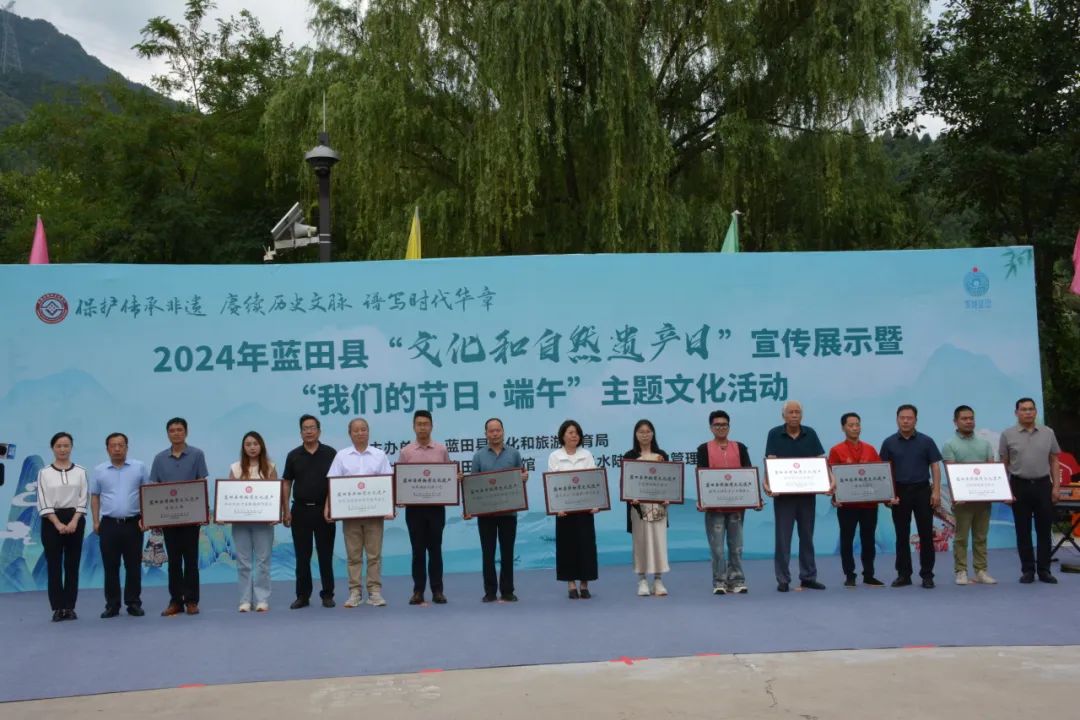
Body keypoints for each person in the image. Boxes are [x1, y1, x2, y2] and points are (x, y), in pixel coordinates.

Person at [327, 418, 392, 607]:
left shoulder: (379, 455)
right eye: (356, 430)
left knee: (374, 555)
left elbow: (388, 482)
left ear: (368, 432)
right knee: (353, 556)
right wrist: (329, 507)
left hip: (374, 515)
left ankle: (374, 592)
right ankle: (355, 592)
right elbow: (332, 483)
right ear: (350, 434)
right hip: (350, 515)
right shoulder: (342, 456)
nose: (360, 433)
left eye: (363, 429)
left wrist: (389, 508)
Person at [764, 400, 827, 592]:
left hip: (807, 495)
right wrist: (767, 483)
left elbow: (820, 460)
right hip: (784, 496)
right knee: (783, 538)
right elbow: (770, 461)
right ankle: (783, 579)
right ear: (783, 415)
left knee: (807, 536)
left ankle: (808, 577)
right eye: (790, 412)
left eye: (797, 412)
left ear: (802, 415)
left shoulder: (810, 433)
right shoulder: (774, 434)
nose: (794, 415)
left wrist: (828, 481)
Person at [149, 417, 208, 616]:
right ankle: (175, 601)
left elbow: (201, 482)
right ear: (167, 434)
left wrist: (202, 511)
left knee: (191, 560)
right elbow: (155, 487)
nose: (176, 433)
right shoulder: (159, 458)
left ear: (186, 432)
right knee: (174, 561)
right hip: (168, 518)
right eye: (172, 430)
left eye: (179, 429)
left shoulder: (197, 454)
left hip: (191, 518)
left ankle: (191, 601)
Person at [999, 397, 1062, 584]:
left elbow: (1054, 461)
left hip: (1043, 486)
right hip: (1019, 486)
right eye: (1023, 409)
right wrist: (1005, 491)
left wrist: (1056, 487)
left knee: (1044, 530)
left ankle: (1044, 570)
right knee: (1023, 531)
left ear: (1035, 412)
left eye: (1031, 409)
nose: (1028, 412)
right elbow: (1003, 464)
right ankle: (1027, 570)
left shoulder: (1048, 432)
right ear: (1016, 413)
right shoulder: (1007, 434)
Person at [879, 404, 942, 589]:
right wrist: (888, 495)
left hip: (922, 491)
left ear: (916, 420)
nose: (906, 421)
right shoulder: (889, 443)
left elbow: (935, 466)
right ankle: (904, 574)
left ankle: (927, 575)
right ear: (897, 419)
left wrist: (936, 491)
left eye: (909, 418)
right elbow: (884, 470)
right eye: (902, 418)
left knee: (926, 535)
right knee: (901, 535)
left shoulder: (926, 441)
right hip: (899, 493)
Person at [90, 432, 150, 618]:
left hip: (133, 523)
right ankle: (112, 605)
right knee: (111, 566)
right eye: (113, 445)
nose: (117, 449)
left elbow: (147, 493)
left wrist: (147, 518)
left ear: (127, 447)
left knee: (133, 566)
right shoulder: (99, 470)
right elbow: (95, 496)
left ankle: (133, 603)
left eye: (121, 445)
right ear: (107, 448)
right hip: (108, 524)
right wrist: (95, 521)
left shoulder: (139, 467)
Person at [696, 410, 757, 595]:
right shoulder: (703, 449)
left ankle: (737, 580)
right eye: (717, 425)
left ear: (729, 427)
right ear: (711, 427)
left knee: (736, 546)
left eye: (724, 424)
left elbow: (748, 474)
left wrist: (755, 498)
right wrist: (702, 499)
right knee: (717, 548)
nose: (721, 428)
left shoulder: (740, 447)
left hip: (737, 506)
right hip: (714, 507)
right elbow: (702, 476)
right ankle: (719, 581)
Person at [468, 418, 528, 603]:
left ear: (503, 431)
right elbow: (473, 484)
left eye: (498, 430)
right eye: (491, 431)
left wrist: (524, 478)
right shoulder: (478, 456)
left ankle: (508, 590)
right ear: (485, 434)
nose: (495, 433)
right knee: (488, 553)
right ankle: (490, 591)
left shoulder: (514, 454)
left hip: (509, 513)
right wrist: (470, 507)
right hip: (486, 514)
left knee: (507, 552)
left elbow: (520, 477)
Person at [282, 414, 338, 609]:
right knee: (302, 557)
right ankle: (303, 596)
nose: (309, 431)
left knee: (325, 555)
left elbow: (335, 482)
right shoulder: (293, 455)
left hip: (324, 511)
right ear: (301, 433)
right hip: (300, 511)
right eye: (305, 428)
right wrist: (286, 509)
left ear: (319, 431)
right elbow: (287, 483)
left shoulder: (330, 453)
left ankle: (327, 594)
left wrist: (330, 507)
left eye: (312, 428)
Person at [827, 413, 887, 588]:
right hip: (847, 505)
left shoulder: (870, 449)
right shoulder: (836, 450)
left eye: (857, 424)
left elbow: (879, 474)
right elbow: (832, 477)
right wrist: (834, 497)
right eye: (851, 425)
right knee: (847, 539)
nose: (855, 428)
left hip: (869, 504)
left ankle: (869, 574)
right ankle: (849, 575)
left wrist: (885, 494)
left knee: (868, 539)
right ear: (843, 428)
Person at [400, 410, 452, 605]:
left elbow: (448, 476)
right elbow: (401, 479)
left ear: (432, 426)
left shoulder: (441, 450)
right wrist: (400, 496)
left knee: (435, 550)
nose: (422, 427)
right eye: (419, 424)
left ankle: (438, 590)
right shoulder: (406, 452)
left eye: (426, 424)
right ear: (413, 427)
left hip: (436, 508)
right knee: (417, 551)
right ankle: (418, 591)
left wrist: (454, 478)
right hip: (414, 510)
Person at [941, 405, 997, 586]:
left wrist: (994, 492)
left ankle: (981, 571)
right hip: (962, 501)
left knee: (981, 537)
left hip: (983, 500)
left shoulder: (985, 444)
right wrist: (957, 495)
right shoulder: (950, 444)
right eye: (964, 418)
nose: (968, 421)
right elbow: (951, 473)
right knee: (961, 538)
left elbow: (991, 470)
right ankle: (961, 571)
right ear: (955, 421)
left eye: (971, 418)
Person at [37, 432, 89, 621]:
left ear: (71, 447)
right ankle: (58, 608)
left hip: (75, 519)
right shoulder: (44, 473)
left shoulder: (81, 471)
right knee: (54, 566)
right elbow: (43, 500)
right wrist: (57, 523)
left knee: (72, 565)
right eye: (59, 446)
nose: (62, 449)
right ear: (52, 448)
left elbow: (83, 498)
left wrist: (74, 521)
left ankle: (70, 607)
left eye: (66, 445)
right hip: (51, 521)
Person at [548, 419, 599, 599]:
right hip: (564, 511)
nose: (574, 436)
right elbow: (552, 484)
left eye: (576, 432)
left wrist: (595, 504)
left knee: (586, 546)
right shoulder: (555, 456)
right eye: (570, 432)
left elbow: (594, 481)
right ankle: (570, 584)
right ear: (562, 435)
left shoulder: (586, 454)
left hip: (585, 510)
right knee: (567, 547)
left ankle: (584, 584)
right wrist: (556, 507)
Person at [229, 431, 277, 612]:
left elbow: (276, 494)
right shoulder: (235, 468)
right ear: (243, 447)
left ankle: (262, 599)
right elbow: (229, 496)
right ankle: (245, 600)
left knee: (263, 561)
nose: (252, 447)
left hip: (264, 524)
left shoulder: (270, 467)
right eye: (248, 444)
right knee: (243, 562)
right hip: (240, 524)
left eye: (255, 444)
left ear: (261, 446)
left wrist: (276, 514)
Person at [624, 420, 671, 597]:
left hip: (659, 507)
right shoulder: (630, 455)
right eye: (641, 431)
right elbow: (626, 483)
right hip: (638, 508)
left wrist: (669, 497)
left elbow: (669, 480)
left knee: (659, 542)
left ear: (653, 433)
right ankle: (642, 580)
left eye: (648, 431)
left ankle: (658, 580)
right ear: (635, 435)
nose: (645, 434)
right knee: (640, 543)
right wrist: (631, 496)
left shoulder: (661, 455)